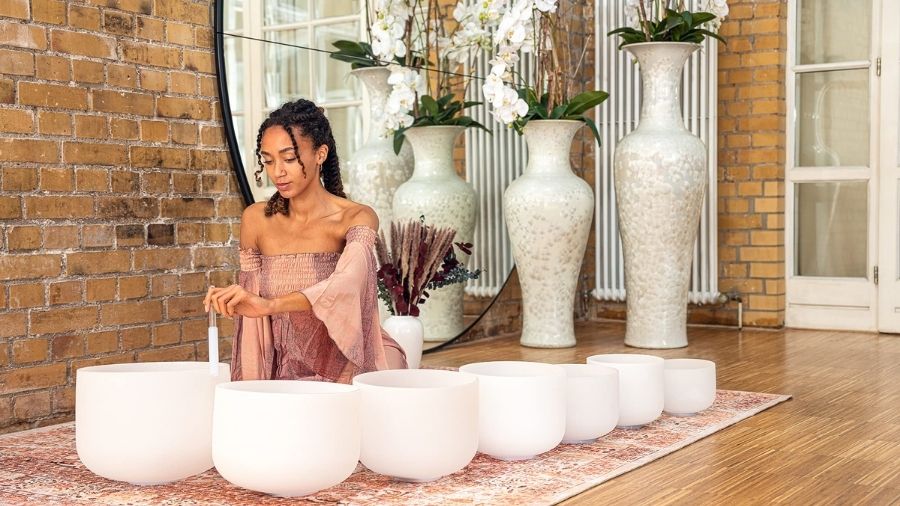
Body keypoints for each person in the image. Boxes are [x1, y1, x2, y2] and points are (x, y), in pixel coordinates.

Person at [204, 98, 407, 383]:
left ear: (320, 154)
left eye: (289, 158)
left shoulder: (357, 217)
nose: (278, 172)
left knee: (369, 396)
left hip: (355, 359)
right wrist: (250, 387)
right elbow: (254, 326)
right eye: (268, 160)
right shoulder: (255, 220)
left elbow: (344, 286)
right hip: (290, 370)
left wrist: (270, 305)